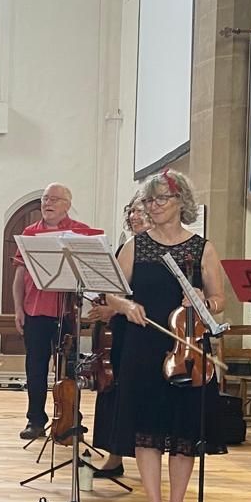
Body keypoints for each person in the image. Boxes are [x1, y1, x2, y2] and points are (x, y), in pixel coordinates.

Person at [98, 169, 228, 502]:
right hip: (143, 346)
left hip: (187, 347)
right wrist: (126, 306)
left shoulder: (202, 248)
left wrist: (204, 300)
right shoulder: (135, 246)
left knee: (183, 431)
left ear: (180, 202)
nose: (152, 206)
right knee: (147, 430)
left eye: (160, 199)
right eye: (148, 200)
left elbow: (220, 300)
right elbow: (110, 292)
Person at [11, 183, 103, 440]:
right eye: (45, 199)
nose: (47, 203)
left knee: (69, 369)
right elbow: (19, 275)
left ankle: (70, 421)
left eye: (54, 199)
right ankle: (35, 420)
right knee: (36, 368)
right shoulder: (30, 232)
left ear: (67, 205)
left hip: (68, 312)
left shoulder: (82, 232)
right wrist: (18, 308)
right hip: (35, 310)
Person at [91, 195, 150, 476]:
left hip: (146, 329)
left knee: (138, 395)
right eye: (131, 211)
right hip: (123, 331)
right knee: (115, 392)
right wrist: (108, 307)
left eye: (140, 211)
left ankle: (146, 458)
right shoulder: (125, 248)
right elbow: (115, 290)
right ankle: (115, 457)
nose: (134, 216)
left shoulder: (161, 251)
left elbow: (147, 296)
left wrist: (112, 310)